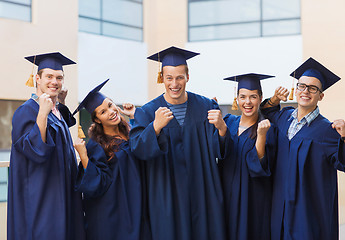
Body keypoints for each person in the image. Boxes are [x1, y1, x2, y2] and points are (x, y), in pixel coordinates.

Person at [129, 46, 227, 240]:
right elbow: (137, 149)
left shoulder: (206, 106)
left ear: (187, 77)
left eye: (180, 77)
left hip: (202, 192)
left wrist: (222, 130)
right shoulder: (148, 112)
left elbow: (220, 151)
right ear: (162, 78)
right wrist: (154, 128)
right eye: (169, 78)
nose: (175, 83)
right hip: (167, 195)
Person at [261, 57, 345, 240]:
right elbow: (267, 110)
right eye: (302, 86)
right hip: (280, 207)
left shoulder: (327, 130)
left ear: (321, 96)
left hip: (307, 213)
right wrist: (275, 98)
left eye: (313, 88)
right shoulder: (283, 117)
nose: (305, 91)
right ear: (296, 89)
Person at [8, 52, 85, 240]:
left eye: (59, 77)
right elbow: (36, 151)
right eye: (49, 76)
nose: (54, 82)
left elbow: (60, 134)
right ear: (37, 78)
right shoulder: (27, 110)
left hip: (63, 190)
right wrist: (42, 114)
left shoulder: (55, 109)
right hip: (42, 194)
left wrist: (59, 103)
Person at [73, 79, 151, 240]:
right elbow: (97, 184)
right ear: (97, 120)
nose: (111, 111)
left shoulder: (130, 131)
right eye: (102, 112)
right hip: (115, 212)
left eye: (110, 105)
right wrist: (83, 156)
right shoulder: (96, 146)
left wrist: (134, 116)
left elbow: (146, 148)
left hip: (137, 203)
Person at [216, 73, 276, 240]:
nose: (247, 102)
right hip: (226, 197)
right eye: (242, 97)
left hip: (253, 201)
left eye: (253, 97)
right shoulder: (228, 122)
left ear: (261, 98)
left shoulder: (269, 128)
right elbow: (218, 152)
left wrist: (261, 136)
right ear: (237, 98)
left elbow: (259, 168)